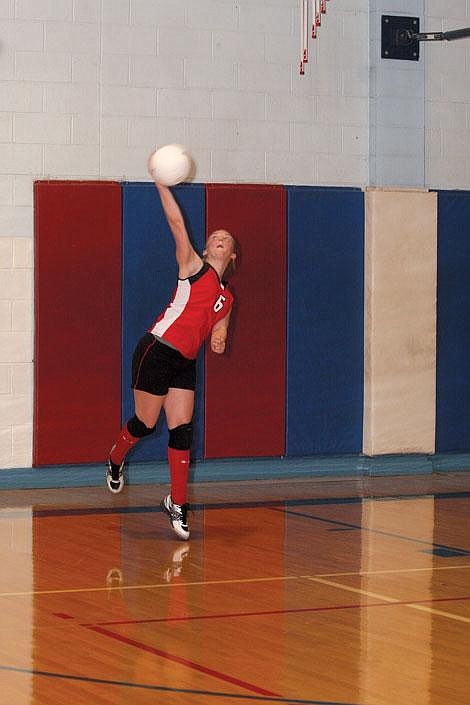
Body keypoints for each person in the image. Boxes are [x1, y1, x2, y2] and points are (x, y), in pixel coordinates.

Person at [106, 158, 237, 542]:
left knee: (183, 431)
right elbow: (177, 224)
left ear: (232, 257)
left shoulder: (228, 296)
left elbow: (220, 327)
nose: (219, 238)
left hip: (185, 362)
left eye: (226, 239)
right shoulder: (192, 265)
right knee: (146, 424)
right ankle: (115, 458)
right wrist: (161, 182)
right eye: (215, 235)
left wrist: (219, 338)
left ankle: (177, 503)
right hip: (157, 349)